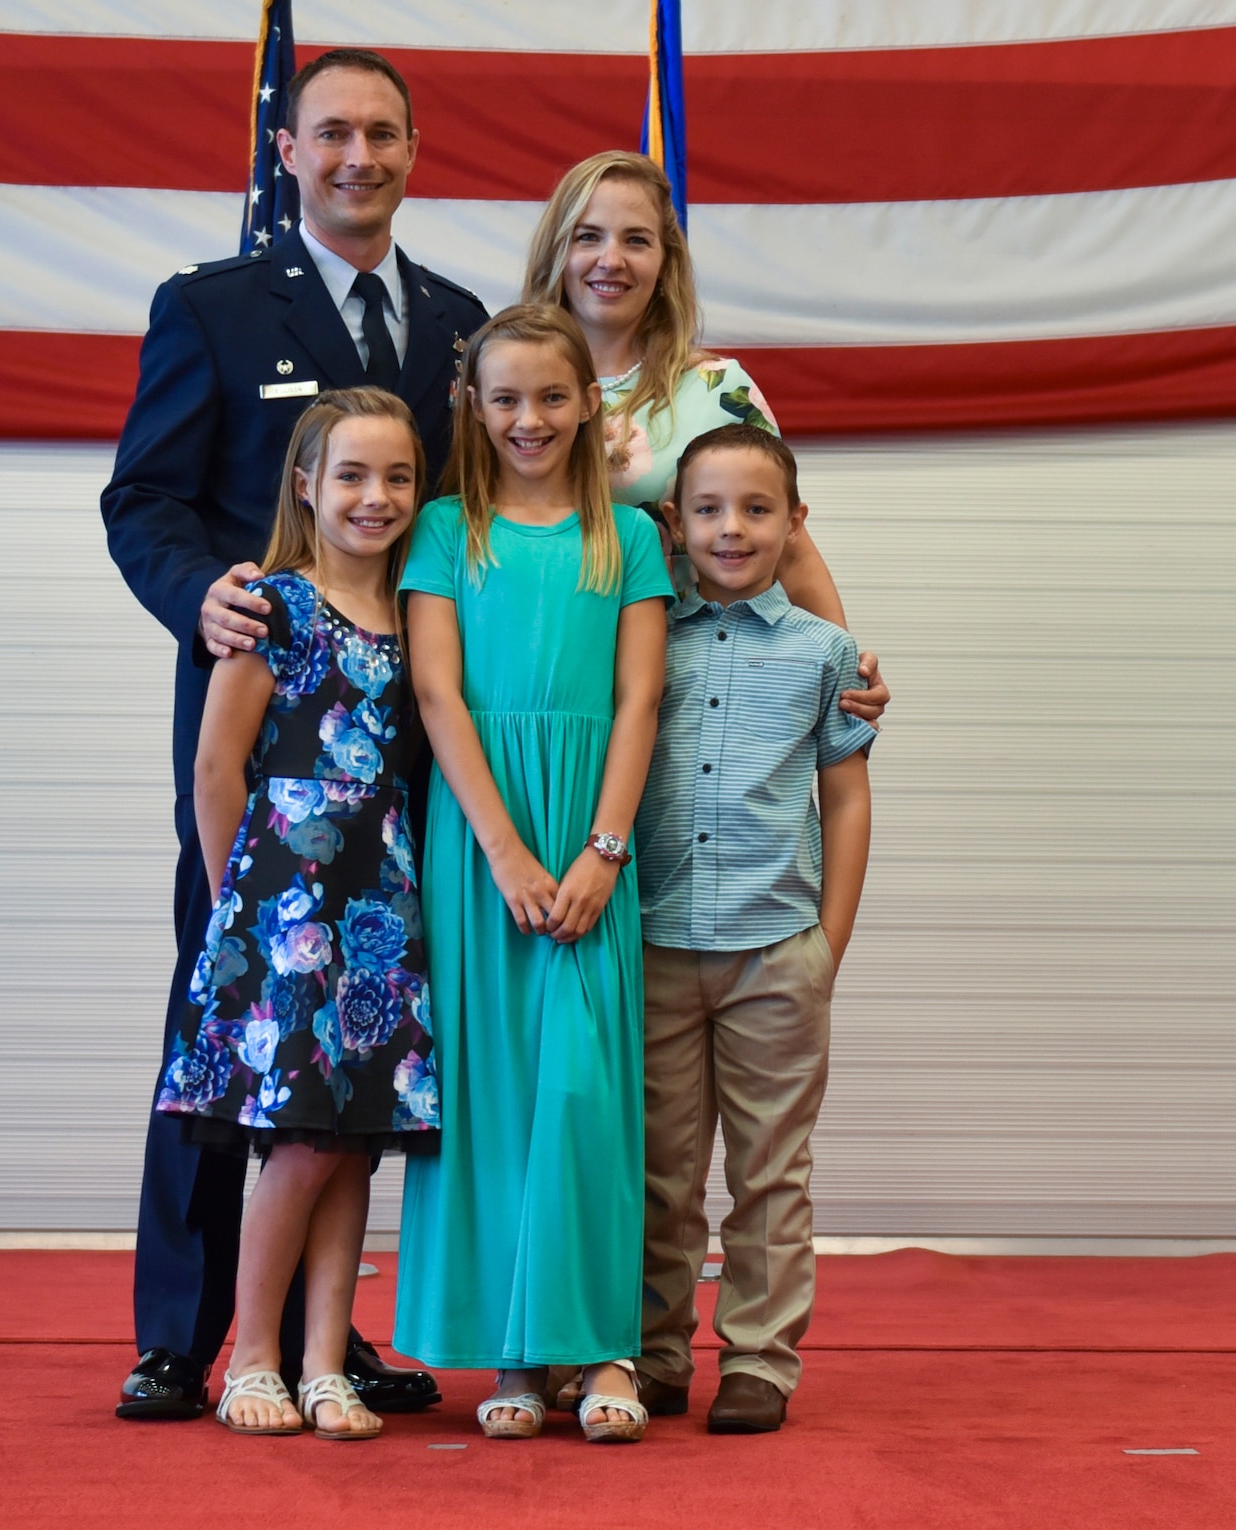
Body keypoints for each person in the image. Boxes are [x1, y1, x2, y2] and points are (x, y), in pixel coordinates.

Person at [101, 46, 488, 1422]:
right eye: (330, 134)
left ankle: (331, 1336)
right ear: (286, 148)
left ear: (413, 148)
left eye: (382, 134)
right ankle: (182, 1327)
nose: (356, 157)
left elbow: (483, 519)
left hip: (409, 738)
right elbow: (142, 499)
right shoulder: (206, 307)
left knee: (372, 1035)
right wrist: (191, 596)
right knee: (228, 1025)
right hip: (259, 737)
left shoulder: (458, 321)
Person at [391, 305, 672, 1444]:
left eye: (551, 397)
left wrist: (600, 850)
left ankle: (602, 1346)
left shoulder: (631, 541)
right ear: (471, 406)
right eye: (504, 398)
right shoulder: (443, 531)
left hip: (587, 839)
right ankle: (514, 1352)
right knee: (494, 1097)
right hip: (480, 840)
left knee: (584, 1096)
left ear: (587, 406)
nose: (528, 418)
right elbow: (435, 697)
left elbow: (639, 699)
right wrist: (503, 850)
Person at [156, 388, 438, 1439]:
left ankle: (328, 1359)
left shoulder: (417, 615)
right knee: (298, 1143)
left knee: (355, 1138)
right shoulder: (271, 608)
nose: (375, 498)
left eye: (397, 477)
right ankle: (249, 1356)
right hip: (285, 909)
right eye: (352, 476)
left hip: (382, 903)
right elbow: (215, 767)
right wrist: (250, 907)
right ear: (306, 484)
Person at [634, 424, 875, 1434]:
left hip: (774, 950)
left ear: (793, 522)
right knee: (659, 1171)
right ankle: (649, 1356)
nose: (729, 529)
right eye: (706, 510)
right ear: (673, 525)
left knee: (771, 1170)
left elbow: (845, 799)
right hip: (652, 947)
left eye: (754, 509)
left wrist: (826, 944)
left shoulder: (826, 655)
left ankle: (759, 1361)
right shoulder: (640, 636)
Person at [518, 149, 890, 721]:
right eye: (587, 236)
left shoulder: (719, 391)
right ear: (557, 250)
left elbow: (790, 550)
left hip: (694, 692)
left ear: (666, 262)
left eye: (636, 240)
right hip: (537, 690)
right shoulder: (504, 383)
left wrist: (840, 668)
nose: (610, 260)